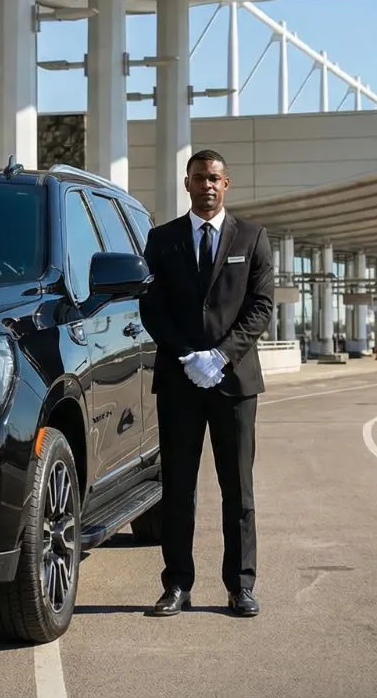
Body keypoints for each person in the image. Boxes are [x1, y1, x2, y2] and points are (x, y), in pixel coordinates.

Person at [139, 149, 275, 618]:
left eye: (215, 178)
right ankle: (177, 584)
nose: (207, 185)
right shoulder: (161, 240)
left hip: (235, 384)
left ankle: (241, 586)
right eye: (199, 178)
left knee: (238, 489)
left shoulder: (253, 238)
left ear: (227, 184)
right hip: (179, 384)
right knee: (178, 489)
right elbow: (151, 307)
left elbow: (260, 308)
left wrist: (219, 356)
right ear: (187, 184)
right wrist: (186, 356)